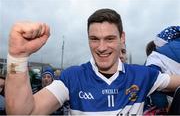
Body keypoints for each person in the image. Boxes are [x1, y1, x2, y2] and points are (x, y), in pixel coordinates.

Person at [5, 8, 180, 115]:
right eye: (94, 39)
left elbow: (175, 82)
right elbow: (24, 113)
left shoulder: (142, 75)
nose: (101, 47)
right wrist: (18, 57)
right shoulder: (72, 77)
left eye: (110, 38)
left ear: (122, 38)